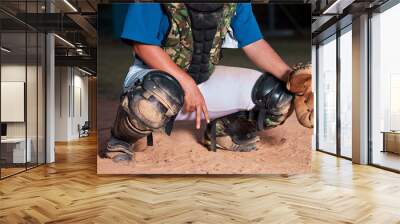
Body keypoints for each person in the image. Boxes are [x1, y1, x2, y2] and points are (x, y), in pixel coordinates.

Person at [100, 3, 313, 162]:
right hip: (150, 80)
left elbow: (254, 43)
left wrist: (292, 80)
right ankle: (121, 139)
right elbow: (143, 46)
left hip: (202, 80)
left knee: (277, 96)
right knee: (157, 96)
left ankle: (222, 132)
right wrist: (186, 83)